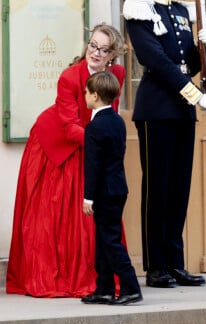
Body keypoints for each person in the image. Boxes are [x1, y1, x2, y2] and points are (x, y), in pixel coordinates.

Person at [6, 23, 127, 298]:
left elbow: (109, 115)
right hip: (56, 144)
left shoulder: (117, 74)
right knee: (57, 215)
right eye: (92, 45)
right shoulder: (70, 77)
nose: (95, 52)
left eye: (103, 49)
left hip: (89, 143)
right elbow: (69, 126)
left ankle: (102, 275)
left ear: (112, 54)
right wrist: (101, 146)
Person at [123, 0, 206, 288]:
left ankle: (174, 263)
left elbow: (188, 63)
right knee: (158, 189)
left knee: (179, 190)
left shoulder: (181, 11)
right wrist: (197, 97)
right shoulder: (140, 9)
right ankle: (156, 266)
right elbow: (155, 61)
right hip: (156, 108)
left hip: (182, 111)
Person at [81, 72, 142, 306]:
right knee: (104, 239)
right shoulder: (117, 121)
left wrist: (88, 198)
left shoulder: (95, 127)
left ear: (95, 96)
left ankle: (131, 287)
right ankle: (104, 287)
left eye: (87, 93)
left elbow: (93, 165)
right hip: (118, 187)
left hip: (104, 192)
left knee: (111, 241)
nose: (85, 96)